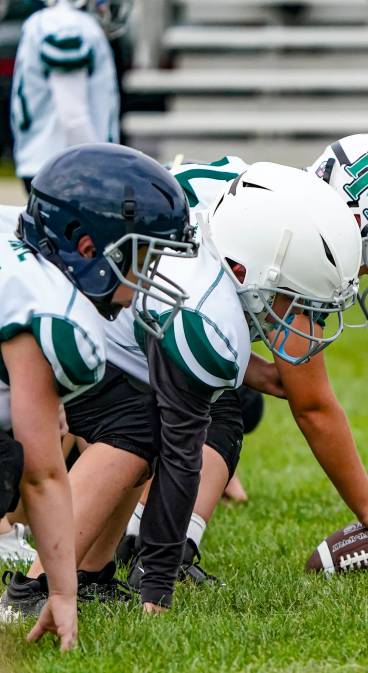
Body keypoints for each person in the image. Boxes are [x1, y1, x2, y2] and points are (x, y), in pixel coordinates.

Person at [4, 161, 362, 616]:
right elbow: (181, 454)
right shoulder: (207, 314)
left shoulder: (229, 219)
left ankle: (89, 573)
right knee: (133, 429)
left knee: (139, 422)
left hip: (66, 322)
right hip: (39, 332)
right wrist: (157, 585)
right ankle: (33, 589)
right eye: (294, 295)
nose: (303, 314)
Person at [114, 135, 368, 582]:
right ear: (358, 219)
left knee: (235, 394)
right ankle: (157, 546)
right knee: (219, 410)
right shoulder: (301, 237)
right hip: (118, 331)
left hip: (114, 308)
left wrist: (255, 372)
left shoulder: (256, 186)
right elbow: (313, 405)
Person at [0, 143, 196, 650]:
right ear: (87, 249)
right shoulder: (56, 318)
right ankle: (20, 593)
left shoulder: (17, 246)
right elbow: (42, 475)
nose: (151, 274)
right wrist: (60, 591)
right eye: (143, 255)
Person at [11, 0, 120, 192]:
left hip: (49, 163)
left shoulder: (47, 21)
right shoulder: (67, 25)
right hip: (68, 171)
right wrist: (102, 169)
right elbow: (73, 116)